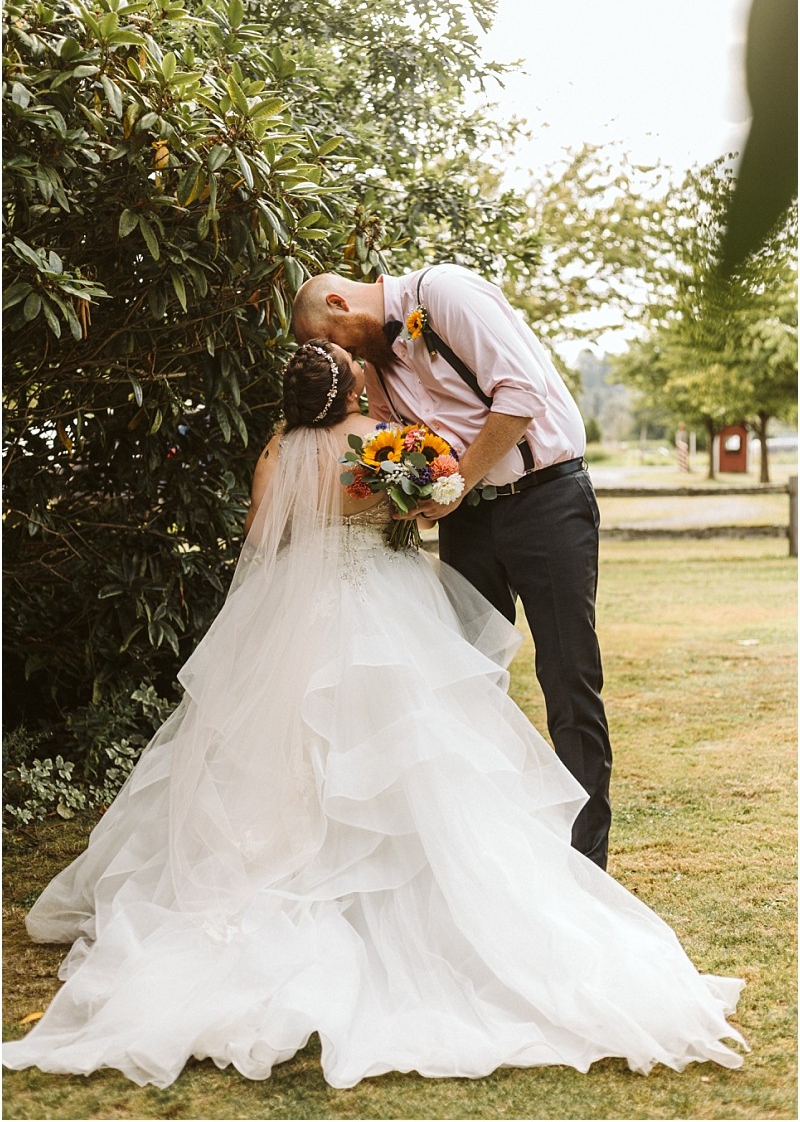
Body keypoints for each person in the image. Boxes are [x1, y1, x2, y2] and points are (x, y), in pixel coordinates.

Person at [2, 341, 746, 1089]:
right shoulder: (383, 440)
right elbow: (422, 502)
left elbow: (260, 538)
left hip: (304, 613)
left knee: (289, 747)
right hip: (390, 603)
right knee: (417, 741)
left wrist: (308, 527)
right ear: (350, 389)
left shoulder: (278, 450)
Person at [291, 265, 613, 868]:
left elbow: (522, 394)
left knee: (569, 677)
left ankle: (585, 862)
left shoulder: (445, 294)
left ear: (338, 302)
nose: (342, 357)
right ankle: (489, 855)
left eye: (331, 340)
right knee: (465, 679)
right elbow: (407, 442)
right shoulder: (378, 365)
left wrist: (457, 481)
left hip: (545, 500)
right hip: (468, 520)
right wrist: (412, 492)